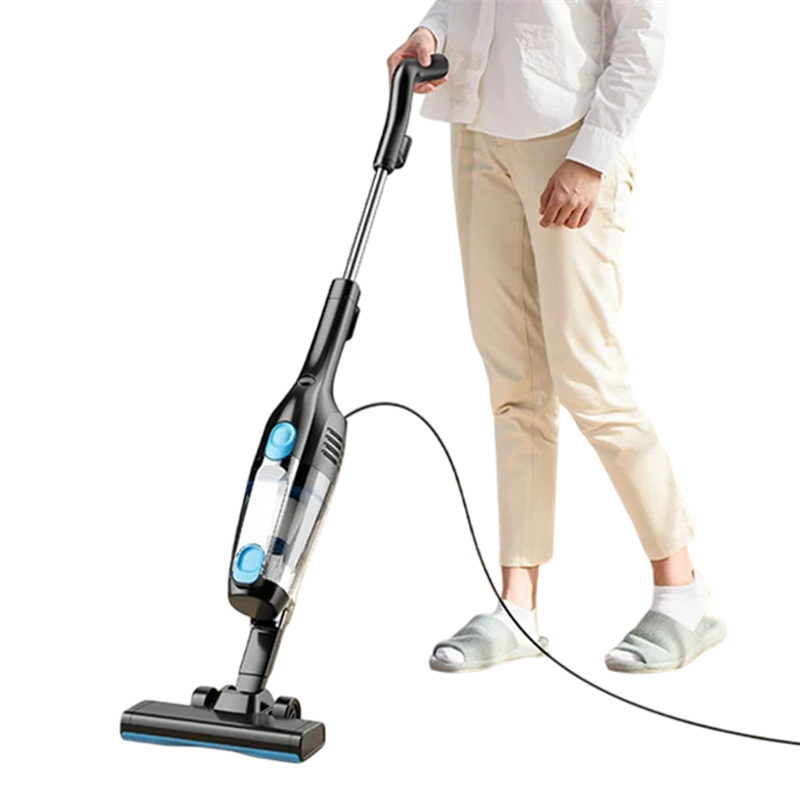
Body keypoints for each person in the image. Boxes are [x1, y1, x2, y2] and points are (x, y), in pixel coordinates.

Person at [387, 0, 725, 674]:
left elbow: (643, 32)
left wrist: (592, 156)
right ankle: (519, 607)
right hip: (479, 126)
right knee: (512, 380)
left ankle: (683, 592)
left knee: (588, 374)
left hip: (567, 132)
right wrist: (433, 30)